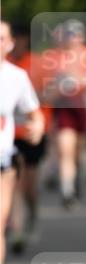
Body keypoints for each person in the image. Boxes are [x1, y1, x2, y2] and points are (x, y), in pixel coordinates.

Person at [41, 19, 86, 208]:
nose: (73, 38)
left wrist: (79, 80)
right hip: (62, 109)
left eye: (76, 35)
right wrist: (57, 88)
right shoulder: (54, 56)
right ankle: (67, 191)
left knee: (78, 153)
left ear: (82, 37)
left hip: (81, 109)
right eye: (69, 34)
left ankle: (75, 177)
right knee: (64, 149)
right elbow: (44, 91)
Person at [0, 21, 44, 264]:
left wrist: (36, 127)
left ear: (9, 44)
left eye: (0, 38)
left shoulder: (16, 77)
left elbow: (34, 113)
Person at [8, 23, 50, 251]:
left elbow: (49, 95)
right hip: (9, 136)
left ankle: (32, 215)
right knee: (14, 183)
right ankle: (16, 231)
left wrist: (29, 97)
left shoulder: (38, 64)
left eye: (22, 39)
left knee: (29, 187)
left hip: (32, 133)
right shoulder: (5, 67)